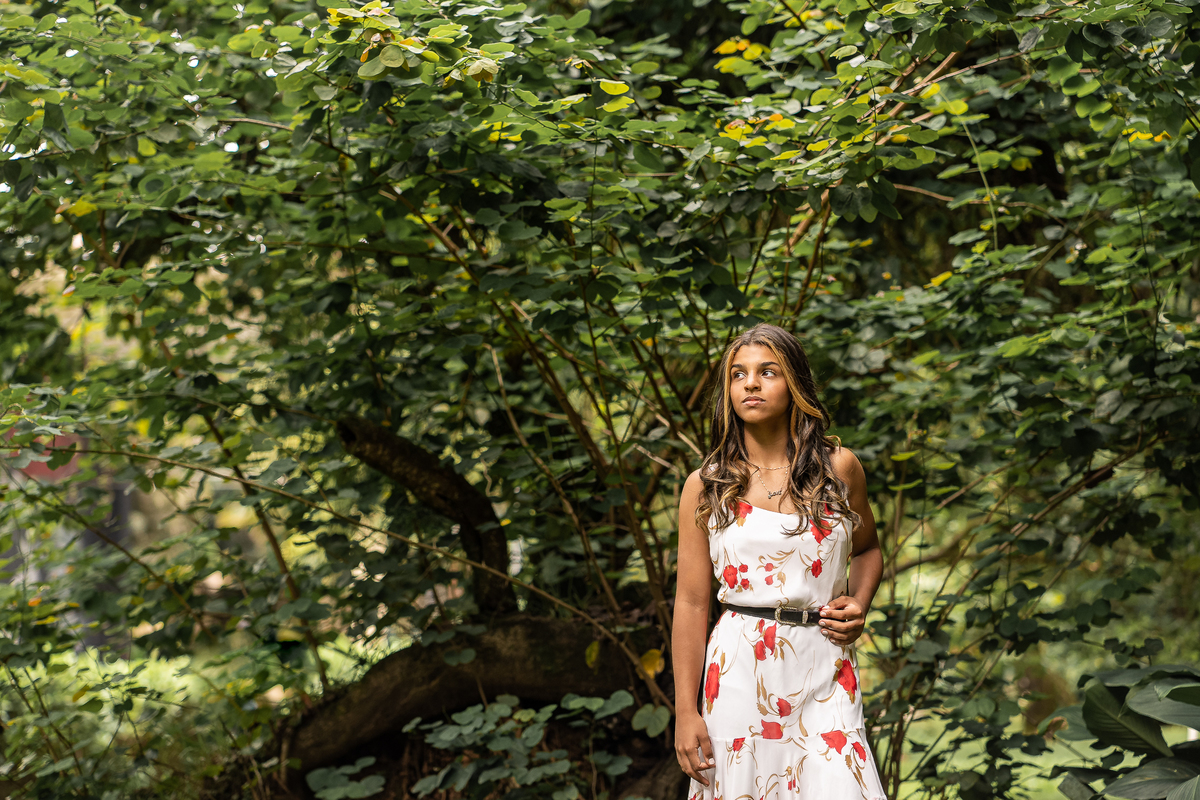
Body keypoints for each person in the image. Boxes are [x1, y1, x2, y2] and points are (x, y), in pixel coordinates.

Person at [672, 323, 888, 799]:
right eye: (738, 374)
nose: (750, 383)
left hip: (825, 665)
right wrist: (685, 711)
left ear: (794, 385)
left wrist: (859, 601)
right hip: (738, 673)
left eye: (767, 371)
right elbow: (690, 602)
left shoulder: (839, 469)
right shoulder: (706, 486)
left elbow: (868, 547)